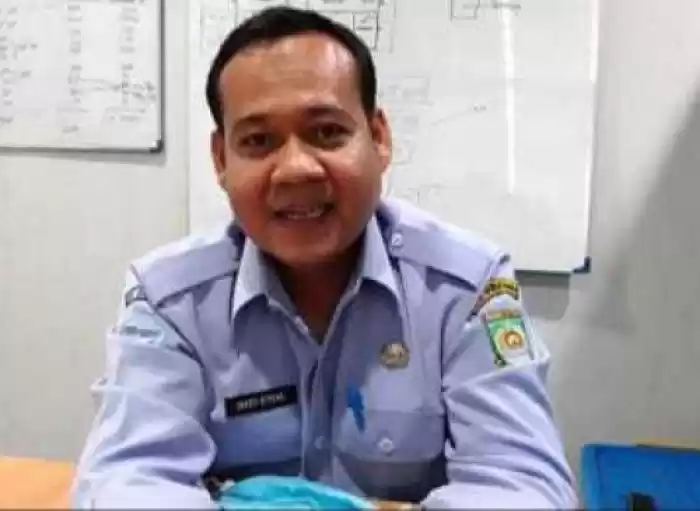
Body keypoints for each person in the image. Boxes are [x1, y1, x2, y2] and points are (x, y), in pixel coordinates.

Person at [71, 6, 577, 509]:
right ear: (221, 159)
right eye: (258, 141)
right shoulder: (170, 301)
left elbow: (524, 487)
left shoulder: (467, 288)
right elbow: (125, 481)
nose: (295, 168)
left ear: (379, 138)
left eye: (327, 132)